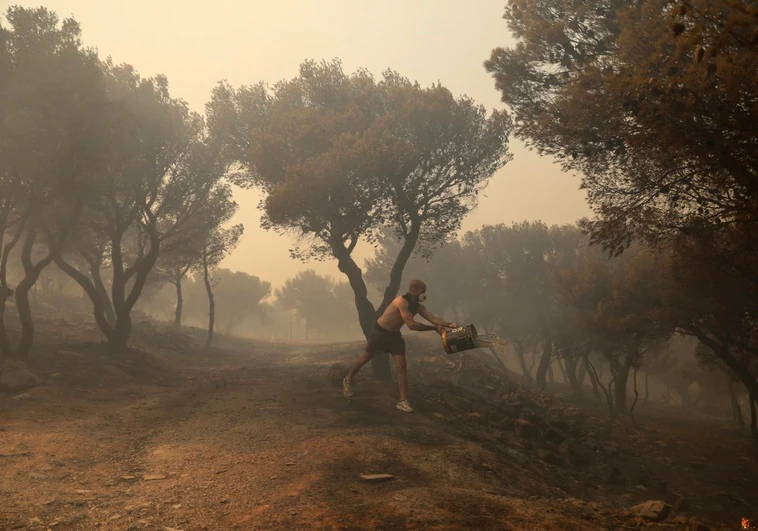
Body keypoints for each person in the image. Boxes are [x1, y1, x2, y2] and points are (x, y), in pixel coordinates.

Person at [342, 279, 457, 413]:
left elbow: (433, 319)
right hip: (380, 333)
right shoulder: (401, 302)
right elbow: (412, 325)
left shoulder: (419, 307)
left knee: (401, 366)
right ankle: (347, 379)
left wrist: (448, 325)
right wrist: (434, 329)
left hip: (395, 336)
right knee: (365, 358)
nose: (424, 295)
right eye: (422, 291)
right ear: (413, 290)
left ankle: (402, 401)